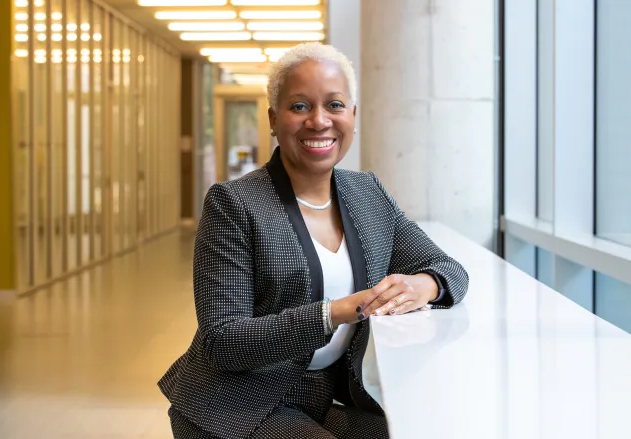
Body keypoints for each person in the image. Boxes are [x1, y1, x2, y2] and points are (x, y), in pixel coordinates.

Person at [159, 42, 469, 439]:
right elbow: (224, 341)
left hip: (322, 397)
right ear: (273, 119)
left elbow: (451, 271)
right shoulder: (234, 204)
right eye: (300, 106)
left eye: (335, 105)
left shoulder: (368, 195)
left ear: (353, 115)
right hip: (237, 403)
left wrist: (420, 286)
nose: (319, 121)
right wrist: (338, 310)